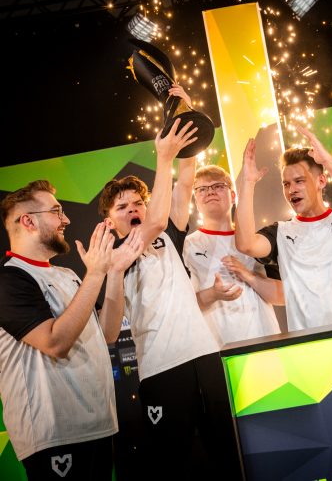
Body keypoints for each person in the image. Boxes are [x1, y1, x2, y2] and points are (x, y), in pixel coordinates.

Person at [96, 86, 241, 479]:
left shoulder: (167, 235)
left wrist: (184, 110)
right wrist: (163, 155)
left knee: (230, 457)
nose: (133, 209)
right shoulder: (112, 257)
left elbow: (186, 176)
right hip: (161, 369)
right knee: (176, 466)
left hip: (206, 356)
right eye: (122, 207)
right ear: (110, 220)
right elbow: (109, 329)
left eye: (138, 203)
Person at [233, 124, 332, 475]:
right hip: (313, 357)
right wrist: (246, 183)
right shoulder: (281, 233)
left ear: (321, 181)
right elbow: (245, 243)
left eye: (299, 180)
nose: (291, 189)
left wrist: (331, 162)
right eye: (286, 183)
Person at [0, 180, 143, 480]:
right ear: (28, 221)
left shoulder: (67, 275)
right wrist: (96, 273)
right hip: (54, 437)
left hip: (98, 427)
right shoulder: (10, 279)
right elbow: (55, 342)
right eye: (56, 211)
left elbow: (108, 334)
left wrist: (114, 272)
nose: (65, 219)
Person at [183, 163, 282, 348]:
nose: (210, 192)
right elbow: (183, 308)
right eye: (202, 189)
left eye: (218, 186)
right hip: (219, 348)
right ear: (195, 200)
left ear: (233, 196)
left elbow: (281, 297)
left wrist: (249, 276)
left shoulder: (256, 242)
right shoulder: (187, 246)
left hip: (266, 341)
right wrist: (214, 293)